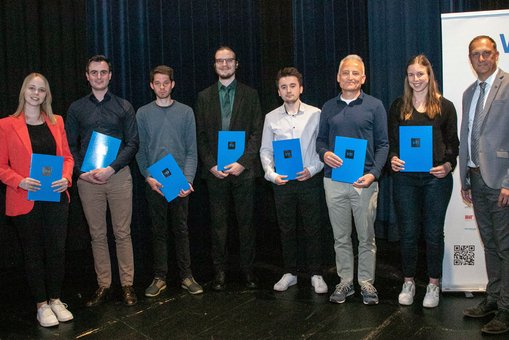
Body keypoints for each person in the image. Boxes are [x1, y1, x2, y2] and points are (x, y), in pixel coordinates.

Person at [0, 73, 74, 327]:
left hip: (55, 197)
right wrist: (18, 180)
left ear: (46, 95)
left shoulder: (57, 122)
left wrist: (66, 178)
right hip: (25, 198)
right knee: (32, 253)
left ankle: (55, 299)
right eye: (31, 88)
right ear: (23, 92)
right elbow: (1, 166)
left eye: (41, 90)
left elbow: (67, 159)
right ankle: (41, 306)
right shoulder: (6, 125)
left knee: (56, 251)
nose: (36, 93)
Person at [65, 55, 139, 307]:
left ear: (110, 75)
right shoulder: (76, 108)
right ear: (87, 76)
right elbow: (69, 146)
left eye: (103, 72)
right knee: (97, 234)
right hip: (87, 179)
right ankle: (104, 284)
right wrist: (79, 172)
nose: (98, 76)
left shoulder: (124, 106)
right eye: (94, 72)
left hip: (117, 176)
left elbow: (133, 144)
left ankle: (127, 284)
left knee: (122, 233)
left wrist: (112, 168)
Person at [316, 54, 388, 305]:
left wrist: (373, 174)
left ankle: (366, 282)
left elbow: (383, 144)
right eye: (345, 72)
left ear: (363, 78)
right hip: (334, 181)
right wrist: (325, 154)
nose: (350, 77)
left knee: (366, 236)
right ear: (338, 77)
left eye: (355, 73)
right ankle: (345, 280)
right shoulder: (328, 107)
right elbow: (320, 141)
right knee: (340, 236)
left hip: (364, 182)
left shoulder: (375, 106)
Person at [389, 55, 459, 308]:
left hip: (435, 181)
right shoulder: (398, 106)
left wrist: (448, 165)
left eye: (420, 74)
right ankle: (408, 281)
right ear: (406, 78)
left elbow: (454, 145)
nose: (416, 79)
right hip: (405, 180)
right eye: (411, 75)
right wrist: (393, 159)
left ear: (430, 76)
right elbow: (391, 145)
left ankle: (433, 284)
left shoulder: (445, 106)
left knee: (432, 234)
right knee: (407, 234)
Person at [195, 46, 263, 290]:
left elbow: (257, 132)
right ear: (214, 65)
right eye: (219, 61)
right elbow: (200, 136)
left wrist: (243, 163)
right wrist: (211, 164)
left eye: (228, 60)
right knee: (218, 225)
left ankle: (248, 271)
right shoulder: (203, 97)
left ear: (237, 64)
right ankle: (220, 272)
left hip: (243, 172)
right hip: (215, 172)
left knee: (246, 224)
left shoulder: (251, 94)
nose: (224, 64)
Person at [136, 65, 203, 297]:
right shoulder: (142, 113)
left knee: (182, 229)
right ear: (151, 86)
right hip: (156, 182)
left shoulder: (186, 112)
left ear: (173, 84)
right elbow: (141, 151)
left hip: (180, 181)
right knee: (158, 231)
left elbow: (192, 151)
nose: (162, 87)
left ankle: (186, 276)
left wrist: (187, 180)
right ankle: (160, 277)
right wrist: (148, 178)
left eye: (166, 83)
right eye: (158, 83)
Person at [260, 67, 327, 293]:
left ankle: (316, 273)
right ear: (278, 91)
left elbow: (322, 148)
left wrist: (312, 169)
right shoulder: (271, 117)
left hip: (309, 180)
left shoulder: (316, 114)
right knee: (286, 228)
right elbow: (266, 151)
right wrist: (271, 174)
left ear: (301, 88)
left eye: (292, 86)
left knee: (313, 227)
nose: (288, 90)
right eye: (283, 87)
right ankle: (290, 272)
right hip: (283, 183)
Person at [459, 35, 509, 335]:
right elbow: (468, 135)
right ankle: (492, 300)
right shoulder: (469, 92)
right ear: (470, 58)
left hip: (500, 181)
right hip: (476, 178)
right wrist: (465, 176)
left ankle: (506, 308)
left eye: (486, 53)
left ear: (496, 56)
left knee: (505, 247)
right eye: (475, 54)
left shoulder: (508, 85)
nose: (481, 58)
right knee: (490, 245)